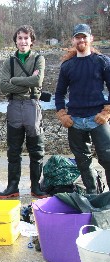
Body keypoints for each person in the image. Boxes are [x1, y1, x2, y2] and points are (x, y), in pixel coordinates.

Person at [55, 23, 110, 193]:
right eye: (78, 37)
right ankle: (92, 194)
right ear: (73, 40)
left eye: (84, 36)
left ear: (91, 39)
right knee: (82, 162)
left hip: (97, 119)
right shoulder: (67, 66)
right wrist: (62, 114)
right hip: (76, 121)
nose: (81, 40)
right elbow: (59, 94)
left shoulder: (102, 62)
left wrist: (107, 112)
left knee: (107, 158)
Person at [0, 25, 48, 199]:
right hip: (14, 107)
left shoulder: (39, 58)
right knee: (13, 150)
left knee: (37, 150)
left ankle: (36, 187)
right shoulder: (8, 61)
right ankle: (12, 187)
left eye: (26, 38)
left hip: (33, 106)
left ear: (31, 40)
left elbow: (37, 80)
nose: (23, 41)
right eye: (20, 38)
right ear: (15, 40)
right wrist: (28, 82)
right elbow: (3, 86)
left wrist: (15, 80)